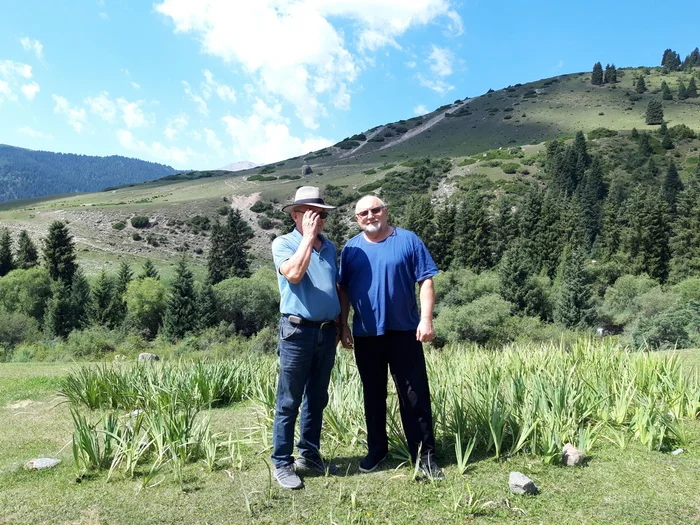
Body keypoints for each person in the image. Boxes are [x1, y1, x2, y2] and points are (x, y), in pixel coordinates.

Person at [338, 195, 444, 480]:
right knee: (372, 395)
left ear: (386, 211)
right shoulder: (351, 249)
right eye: (363, 213)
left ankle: (425, 456)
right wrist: (343, 325)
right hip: (366, 335)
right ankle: (377, 450)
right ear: (357, 219)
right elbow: (343, 289)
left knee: (414, 395)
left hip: (404, 332)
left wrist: (426, 318)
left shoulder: (408, 240)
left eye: (375, 210)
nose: (370, 216)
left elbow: (426, 280)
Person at [270, 186, 341, 489]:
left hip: (327, 332)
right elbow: (295, 275)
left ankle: (309, 455)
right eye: (313, 214)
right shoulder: (283, 243)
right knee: (289, 400)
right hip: (297, 331)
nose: (320, 219)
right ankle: (283, 462)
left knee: (317, 398)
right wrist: (309, 238)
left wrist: (342, 324)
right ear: (296, 215)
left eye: (322, 214)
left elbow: (336, 288)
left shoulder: (331, 247)